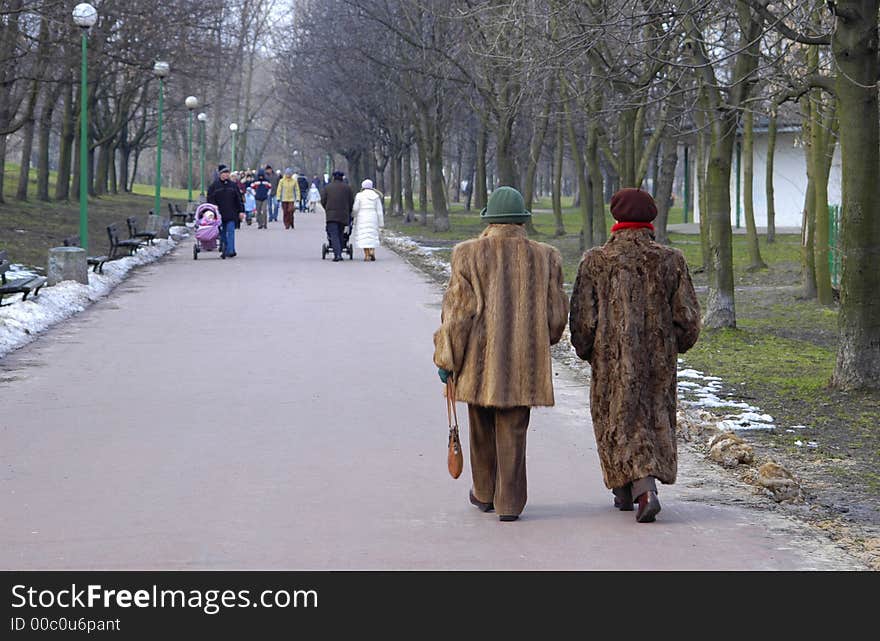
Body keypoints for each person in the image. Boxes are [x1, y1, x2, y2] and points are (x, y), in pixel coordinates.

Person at [432, 186, 568, 522]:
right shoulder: (546, 255)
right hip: (524, 363)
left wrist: (447, 359)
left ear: (488, 220)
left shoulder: (467, 254)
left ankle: (482, 492)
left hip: (479, 362)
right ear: (522, 220)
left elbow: (458, 314)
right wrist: (540, 339)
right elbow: (555, 316)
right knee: (514, 430)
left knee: (480, 426)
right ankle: (509, 502)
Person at [569, 188, 701, 523]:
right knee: (651, 419)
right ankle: (630, 489)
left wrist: (587, 349)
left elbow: (584, 318)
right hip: (658, 364)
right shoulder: (671, 260)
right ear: (651, 218)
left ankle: (640, 489)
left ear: (616, 218)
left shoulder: (597, 261)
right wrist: (674, 346)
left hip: (612, 362)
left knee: (617, 421)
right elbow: (687, 319)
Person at [207, 164, 244, 258]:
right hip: (219, 214)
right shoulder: (214, 186)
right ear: (220, 174)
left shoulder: (233, 185)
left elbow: (238, 199)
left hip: (232, 213)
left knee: (231, 231)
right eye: (224, 173)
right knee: (222, 233)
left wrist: (241, 211)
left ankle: (230, 251)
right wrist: (213, 207)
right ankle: (226, 248)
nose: (226, 175)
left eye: (227, 173)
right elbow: (210, 199)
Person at [321, 170, 354, 262]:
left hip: (331, 215)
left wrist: (327, 208)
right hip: (343, 215)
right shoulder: (347, 188)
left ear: (333, 177)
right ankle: (340, 250)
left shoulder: (327, 188)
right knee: (340, 233)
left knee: (333, 234)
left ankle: (337, 255)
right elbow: (351, 201)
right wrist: (348, 211)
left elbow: (323, 200)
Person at [352, 179, 384, 261]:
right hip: (373, 216)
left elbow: (355, 208)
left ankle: (366, 255)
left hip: (362, 216)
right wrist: (381, 223)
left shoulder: (359, 195)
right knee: (372, 235)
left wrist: (354, 216)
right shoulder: (376, 196)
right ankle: (372, 251)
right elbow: (379, 211)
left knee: (364, 236)